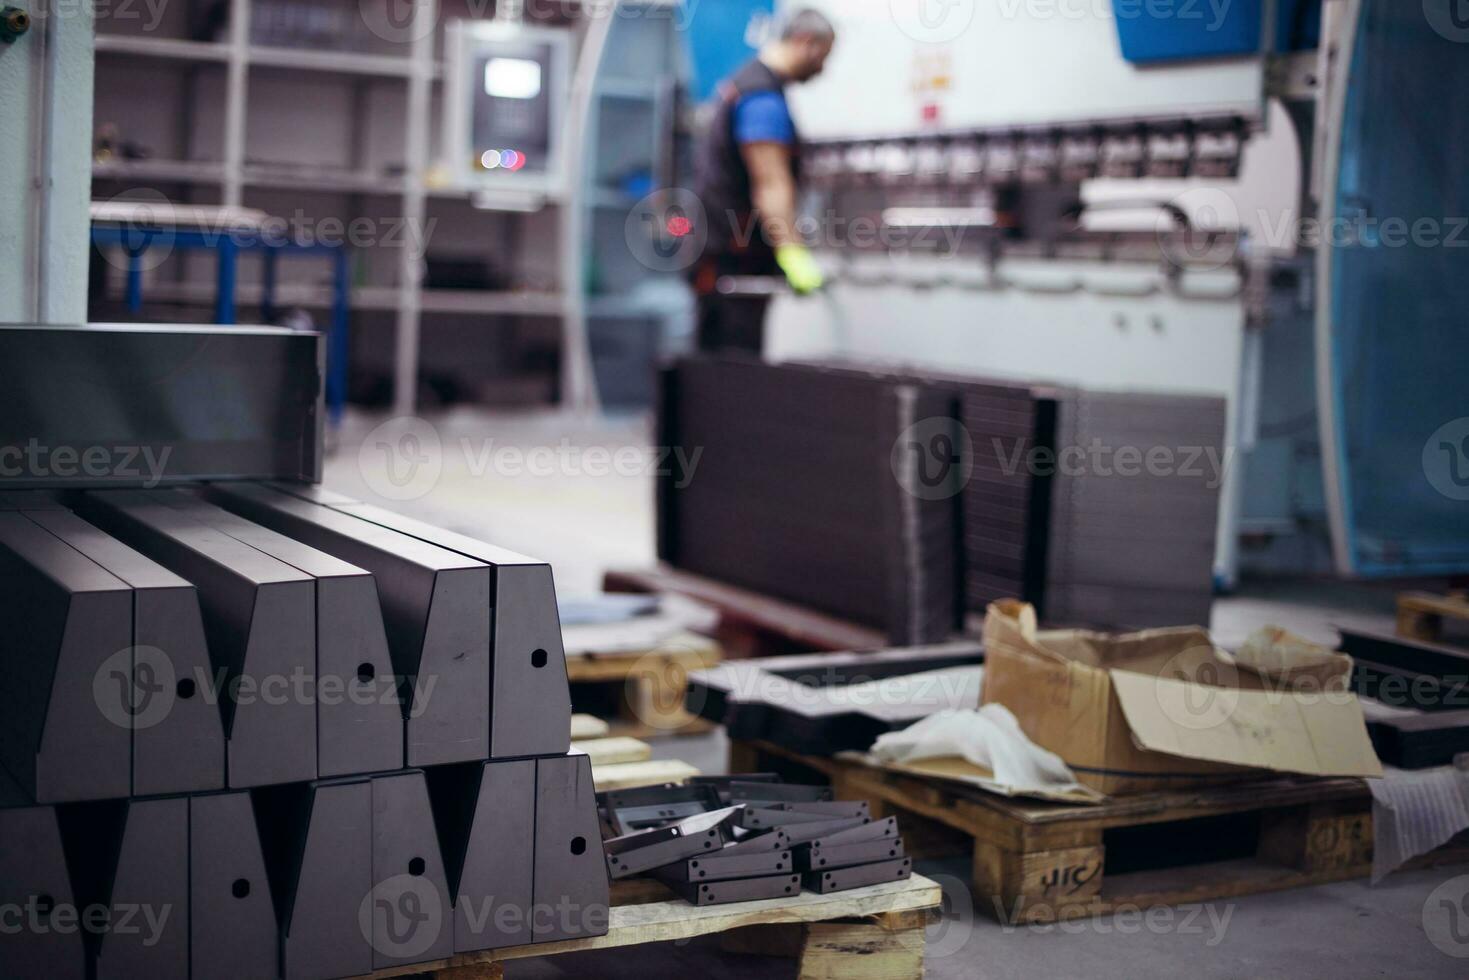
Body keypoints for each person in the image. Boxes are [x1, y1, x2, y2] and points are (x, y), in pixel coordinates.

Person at [690, 8, 836, 352]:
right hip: (735, 259)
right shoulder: (762, 99)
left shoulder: (744, 84)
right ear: (804, 42)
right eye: (822, 56)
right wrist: (793, 253)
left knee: (712, 368)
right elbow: (770, 184)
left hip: (718, 251)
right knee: (734, 370)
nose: (822, 68)